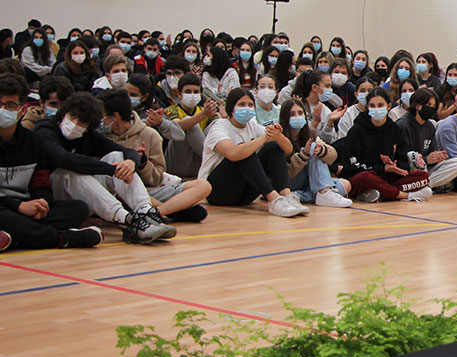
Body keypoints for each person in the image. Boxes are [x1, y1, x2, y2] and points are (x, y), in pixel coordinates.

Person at [35, 92, 176, 243]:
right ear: (65, 112)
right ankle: (126, 220)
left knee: (117, 157)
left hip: (82, 193)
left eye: (82, 123)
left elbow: (126, 151)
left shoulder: (87, 136)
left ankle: (145, 212)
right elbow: (64, 159)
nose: (75, 124)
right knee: (72, 172)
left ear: (89, 127)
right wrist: (111, 169)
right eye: (72, 117)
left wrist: (130, 163)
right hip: (51, 192)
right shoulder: (45, 129)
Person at [0, 74, 100, 250]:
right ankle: (63, 239)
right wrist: (18, 205)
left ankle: (14, 237)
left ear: (22, 110)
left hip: (26, 208)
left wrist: (42, 201)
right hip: (7, 207)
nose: (2, 109)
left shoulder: (32, 141)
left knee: (78, 209)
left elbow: (41, 182)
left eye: (9, 105)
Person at [97, 89, 211, 222]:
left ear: (114, 116)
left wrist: (143, 163)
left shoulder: (150, 135)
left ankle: (157, 212)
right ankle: (173, 212)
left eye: (102, 115)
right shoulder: (99, 136)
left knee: (203, 186)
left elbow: (157, 178)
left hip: (148, 191)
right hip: (115, 192)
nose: (100, 120)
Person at [199, 88, 307, 217]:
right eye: (241, 104)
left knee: (273, 146)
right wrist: (264, 138)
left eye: (250, 105)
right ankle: (274, 199)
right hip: (215, 191)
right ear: (231, 108)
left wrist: (278, 136)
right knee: (244, 151)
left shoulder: (253, 125)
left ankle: (286, 196)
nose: (247, 108)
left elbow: (288, 150)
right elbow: (233, 153)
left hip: (244, 195)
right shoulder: (219, 126)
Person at [334, 88, 431, 203]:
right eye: (372, 106)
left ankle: (377, 193)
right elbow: (351, 166)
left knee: (423, 177)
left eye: (380, 105)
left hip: (388, 177)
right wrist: (381, 168)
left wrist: (394, 166)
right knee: (367, 178)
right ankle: (404, 195)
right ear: (368, 107)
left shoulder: (396, 130)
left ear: (388, 106)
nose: (376, 109)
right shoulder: (357, 130)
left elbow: (403, 161)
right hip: (363, 176)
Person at [278, 100, 353, 207]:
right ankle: (323, 192)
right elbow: (285, 172)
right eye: (292, 114)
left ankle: (298, 195)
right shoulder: (280, 137)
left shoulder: (309, 133)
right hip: (289, 181)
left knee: (346, 185)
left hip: (308, 182)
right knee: (312, 149)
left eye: (300, 113)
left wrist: (321, 150)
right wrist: (304, 154)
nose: (297, 117)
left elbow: (333, 155)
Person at [394, 88, 457, 190]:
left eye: (434, 106)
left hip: (427, 169)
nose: (431, 109)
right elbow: (401, 159)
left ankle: (424, 185)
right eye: (429, 105)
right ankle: (422, 185)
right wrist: (426, 159)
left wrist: (438, 157)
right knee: (412, 156)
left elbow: (432, 151)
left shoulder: (430, 125)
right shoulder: (403, 125)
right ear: (418, 105)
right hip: (409, 169)